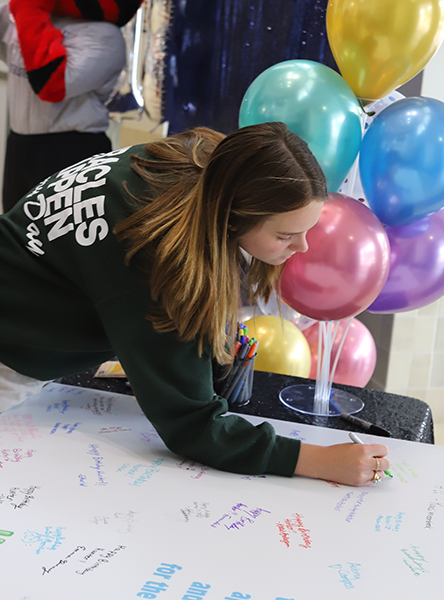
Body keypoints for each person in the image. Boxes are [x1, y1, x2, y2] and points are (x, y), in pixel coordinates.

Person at [0, 121, 390, 487]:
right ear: (234, 218)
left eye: (308, 230)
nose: (302, 247)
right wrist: (318, 461)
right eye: (286, 235)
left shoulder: (202, 156)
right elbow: (191, 426)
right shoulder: (160, 257)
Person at [0, 5, 126, 213]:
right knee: (14, 236)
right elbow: (11, 54)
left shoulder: (104, 35)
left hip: (71, 149)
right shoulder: (20, 14)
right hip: (20, 146)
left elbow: (52, 83)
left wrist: (30, 13)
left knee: (65, 239)